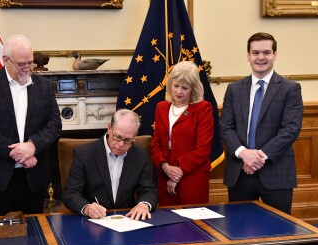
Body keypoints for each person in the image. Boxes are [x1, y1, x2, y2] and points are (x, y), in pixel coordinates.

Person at [0, 35, 62, 216]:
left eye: (30, 63)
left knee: (32, 237)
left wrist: (32, 146)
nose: (27, 69)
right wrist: (19, 153)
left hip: (32, 179)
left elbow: (54, 124)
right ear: (6, 60)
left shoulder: (44, 86)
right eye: (21, 64)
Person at [220, 32, 303, 215]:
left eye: (266, 52)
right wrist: (244, 154)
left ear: (275, 55)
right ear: (248, 55)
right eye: (255, 53)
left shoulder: (290, 89)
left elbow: (290, 130)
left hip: (276, 173)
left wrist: (258, 157)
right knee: (238, 230)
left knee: (279, 233)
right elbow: (225, 127)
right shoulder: (234, 89)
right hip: (240, 173)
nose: (261, 57)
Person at [62, 109, 158, 220]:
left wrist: (144, 204)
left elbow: (149, 190)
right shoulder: (85, 154)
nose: (121, 144)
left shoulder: (140, 156)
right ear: (109, 129)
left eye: (128, 140)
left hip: (127, 219)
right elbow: (70, 193)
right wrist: (87, 208)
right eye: (117, 137)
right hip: (93, 220)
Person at [150, 61, 214, 206]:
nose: (179, 91)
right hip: (165, 174)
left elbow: (202, 149)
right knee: (167, 222)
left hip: (193, 176)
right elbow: (155, 143)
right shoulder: (161, 107)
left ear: (193, 88)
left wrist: (178, 172)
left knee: (194, 222)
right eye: (176, 86)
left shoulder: (203, 108)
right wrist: (166, 167)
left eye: (185, 88)